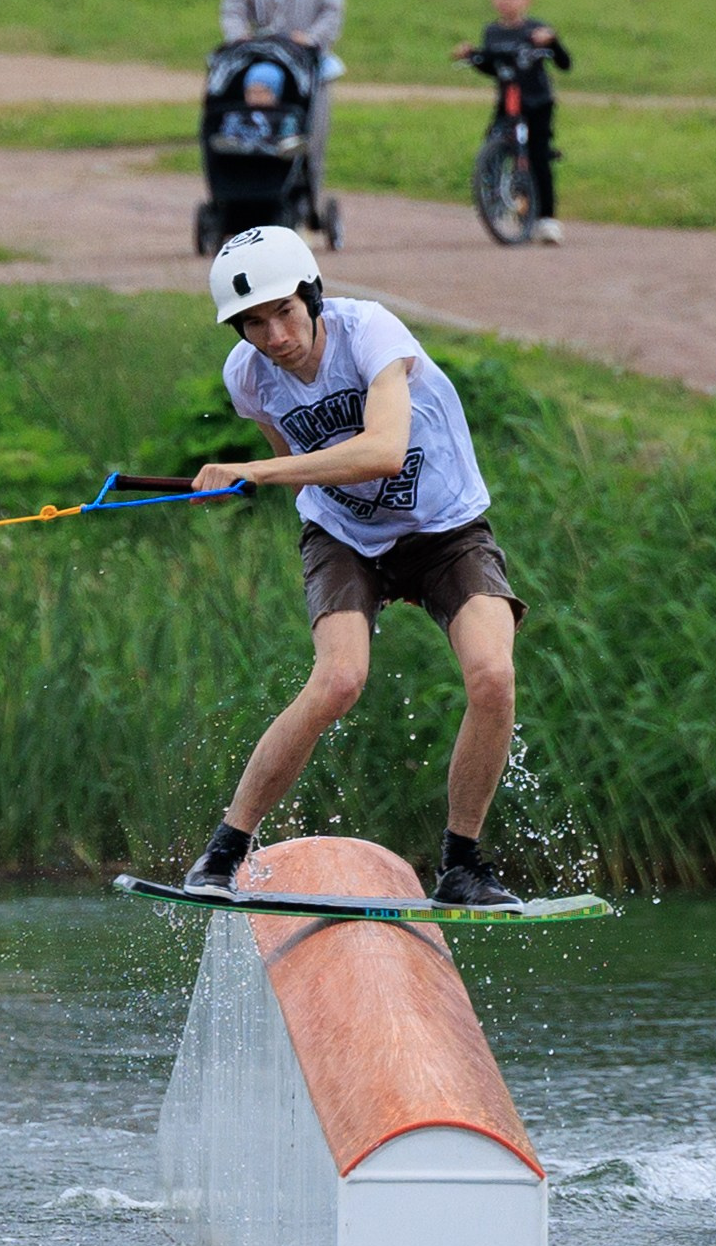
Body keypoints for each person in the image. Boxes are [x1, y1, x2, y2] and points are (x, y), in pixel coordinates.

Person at [178, 222, 529, 910]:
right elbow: (308, 472)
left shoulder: (370, 332)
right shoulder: (246, 377)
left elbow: (382, 453)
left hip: (444, 529)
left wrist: (256, 470)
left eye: (283, 311)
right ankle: (222, 853)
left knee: (492, 675)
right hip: (342, 538)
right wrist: (272, 478)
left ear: (311, 296)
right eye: (251, 322)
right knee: (338, 680)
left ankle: (462, 864)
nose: (273, 334)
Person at [220, 0, 346, 200]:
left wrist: (312, 37)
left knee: (314, 126)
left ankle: (309, 196)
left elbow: (332, 12)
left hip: (305, 56)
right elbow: (233, 8)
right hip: (261, 54)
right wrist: (240, 36)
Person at [454, 0, 572, 246]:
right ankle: (494, 202)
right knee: (493, 145)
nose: (505, 0)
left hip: (537, 102)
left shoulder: (536, 29)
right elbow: (493, 67)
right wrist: (473, 56)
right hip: (508, 102)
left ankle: (546, 218)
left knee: (538, 155)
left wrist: (553, 42)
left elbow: (565, 63)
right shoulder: (492, 32)